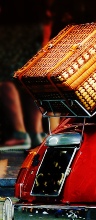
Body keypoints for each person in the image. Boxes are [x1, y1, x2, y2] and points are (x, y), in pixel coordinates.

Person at [0, 0, 47, 150]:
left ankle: (21, 133)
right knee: (31, 77)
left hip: (8, 25)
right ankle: (36, 132)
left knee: (4, 78)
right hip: (36, 24)